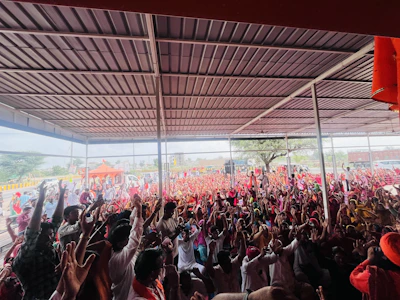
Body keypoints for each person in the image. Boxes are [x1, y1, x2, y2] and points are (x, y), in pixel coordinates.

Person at [12, 180, 66, 300]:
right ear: (37, 237)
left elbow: (57, 219)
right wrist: (40, 201)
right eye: (44, 236)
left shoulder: (48, 247)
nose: (49, 238)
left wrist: (61, 195)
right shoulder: (27, 256)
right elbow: (31, 234)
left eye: (51, 235)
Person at [108, 194, 144, 300]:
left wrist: (136, 209)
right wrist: (139, 210)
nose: (129, 240)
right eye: (127, 238)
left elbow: (134, 228)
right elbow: (135, 237)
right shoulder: (118, 258)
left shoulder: (121, 251)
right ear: (120, 243)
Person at [350, 232, 400, 299]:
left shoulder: (377, 276)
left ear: (384, 257)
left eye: (379, 248)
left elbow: (354, 277)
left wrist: (369, 259)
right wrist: (363, 256)